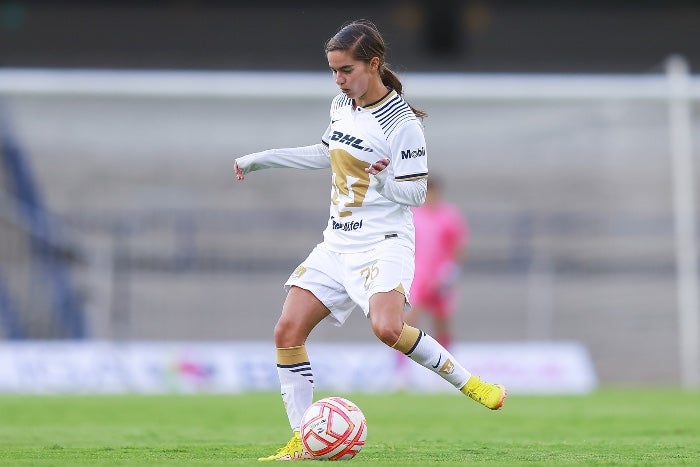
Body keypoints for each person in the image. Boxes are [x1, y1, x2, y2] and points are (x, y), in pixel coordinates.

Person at [233, 19, 506, 462]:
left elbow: (416, 193)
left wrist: (381, 184)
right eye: (333, 71)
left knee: (387, 328)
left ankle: (473, 384)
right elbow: (327, 153)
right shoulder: (343, 104)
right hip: (336, 243)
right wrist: (262, 160)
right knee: (286, 330)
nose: (339, 80)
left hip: (384, 242)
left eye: (346, 70)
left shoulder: (402, 123)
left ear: (373, 64)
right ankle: (305, 440)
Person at [405, 176, 468, 351]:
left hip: (441, 277)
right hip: (417, 275)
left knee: (442, 321)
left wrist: (450, 272)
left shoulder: (449, 215)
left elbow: (458, 245)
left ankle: (447, 366)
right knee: (408, 320)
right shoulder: (412, 214)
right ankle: (401, 367)